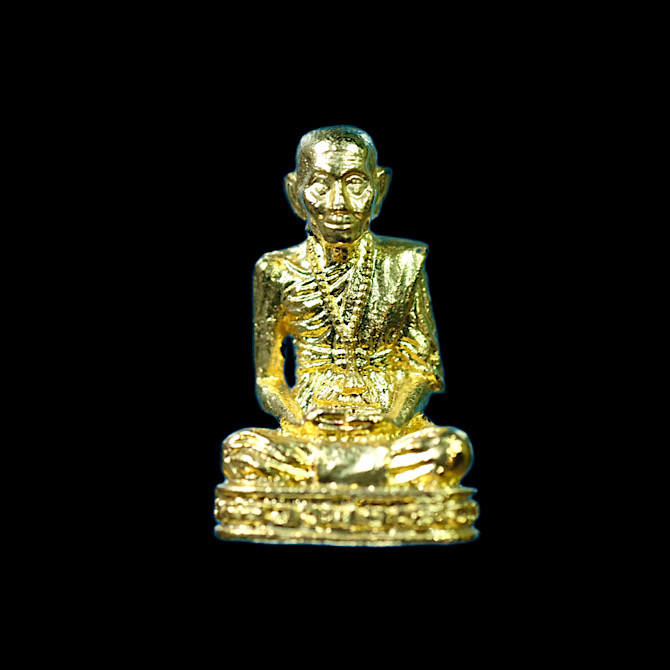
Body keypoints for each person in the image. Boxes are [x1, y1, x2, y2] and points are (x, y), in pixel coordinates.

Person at [221, 126, 473, 488]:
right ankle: (370, 473)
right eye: (320, 184)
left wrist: (392, 420)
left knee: (450, 449)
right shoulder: (276, 270)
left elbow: (422, 368)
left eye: (355, 183)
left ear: (379, 188)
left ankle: (327, 474)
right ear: (295, 192)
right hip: (310, 430)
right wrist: (299, 420)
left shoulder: (404, 262)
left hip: (389, 428)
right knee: (241, 450)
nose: (338, 201)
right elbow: (268, 379)